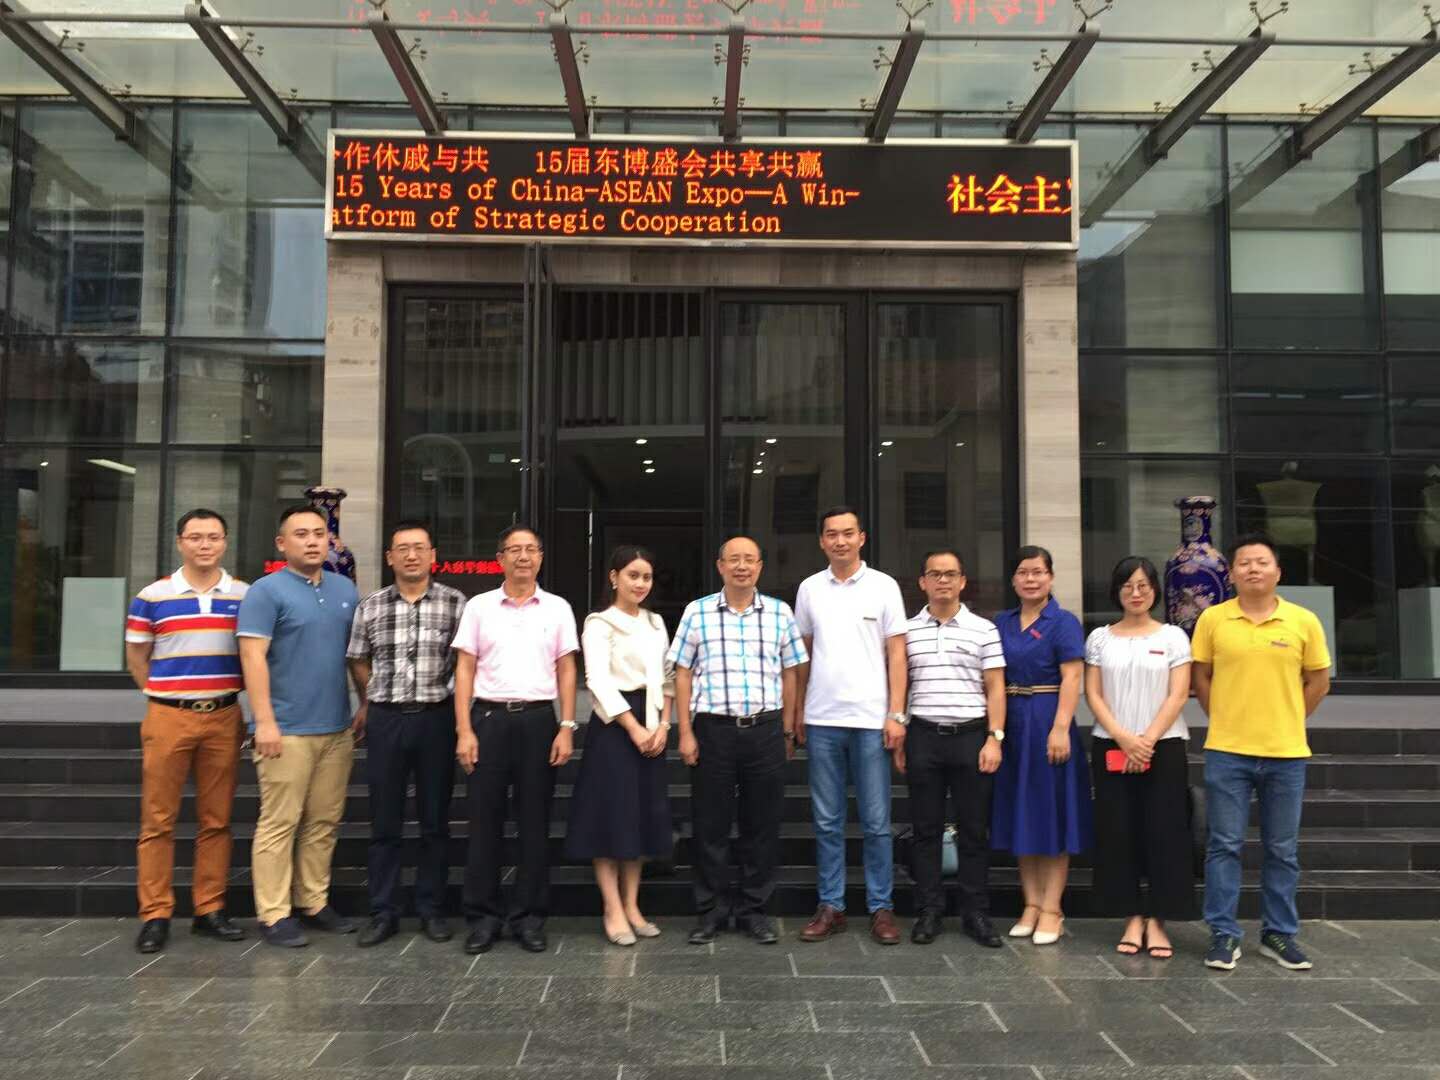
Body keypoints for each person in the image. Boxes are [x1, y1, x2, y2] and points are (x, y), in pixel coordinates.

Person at [1193, 533, 1331, 972]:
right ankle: (1223, 933)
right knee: (1224, 845)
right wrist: (1224, 716)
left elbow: (1318, 681)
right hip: (1227, 751)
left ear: (1278, 572)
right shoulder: (1213, 619)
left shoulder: (1303, 621)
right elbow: (1201, 677)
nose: (1253, 569)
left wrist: (1289, 717)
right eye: (1244, 563)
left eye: (1262, 562)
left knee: (1282, 849)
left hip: (1286, 752)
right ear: (1231, 574)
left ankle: (1278, 933)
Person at [669, 536, 808, 946]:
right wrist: (685, 730)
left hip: (765, 730)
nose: (742, 566)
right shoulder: (697, 612)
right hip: (713, 730)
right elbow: (681, 672)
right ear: (720, 566)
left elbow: (791, 672)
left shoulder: (780, 613)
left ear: (760, 566)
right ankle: (710, 910)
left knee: (761, 824)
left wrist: (788, 727)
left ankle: (753, 910)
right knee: (709, 823)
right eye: (734, 559)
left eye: (749, 559)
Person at [125, 509, 250, 954]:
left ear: (225, 542)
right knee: (158, 820)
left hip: (224, 715)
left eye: (213, 537)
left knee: (217, 819)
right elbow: (136, 656)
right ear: (180, 542)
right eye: (195, 537)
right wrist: (163, 696)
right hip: (168, 716)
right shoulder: (153, 596)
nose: (204, 544)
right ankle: (155, 913)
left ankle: (209, 909)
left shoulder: (244, 595)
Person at [237, 505, 363, 948]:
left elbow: (354, 655)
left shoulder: (345, 588)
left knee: (323, 821)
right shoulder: (265, 592)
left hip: (336, 728)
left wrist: (365, 702)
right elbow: (252, 657)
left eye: (319, 534)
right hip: (285, 730)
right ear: (281, 543)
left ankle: (313, 900)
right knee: (280, 822)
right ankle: (274, 913)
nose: (312, 541)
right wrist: (264, 721)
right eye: (301, 534)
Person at [453, 524, 578, 955]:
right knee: (483, 824)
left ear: (540, 557)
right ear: (500, 558)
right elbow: (465, 668)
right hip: (488, 719)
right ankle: (483, 917)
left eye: (531, 550)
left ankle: (529, 917)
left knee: (534, 824)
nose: (523, 557)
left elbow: (567, 669)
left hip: (539, 721)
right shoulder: (479, 607)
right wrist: (464, 729)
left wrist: (567, 725)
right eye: (514, 550)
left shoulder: (558, 608)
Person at [346, 521, 466, 948]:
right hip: (387, 718)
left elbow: (465, 662)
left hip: (437, 718)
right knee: (385, 820)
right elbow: (358, 658)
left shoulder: (455, 603)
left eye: (419, 548)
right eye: (402, 548)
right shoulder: (371, 605)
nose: (411, 555)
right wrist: (369, 699)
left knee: (435, 820)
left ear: (433, 555)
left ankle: (432, 909)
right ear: (389, 557)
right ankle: (384, 911)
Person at [795, 506, 909, 945]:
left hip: (870, 720)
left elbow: (897, 654)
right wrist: (796, 711)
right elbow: (803, 655)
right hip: (822, 719)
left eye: (847, 533)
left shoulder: (883, 586)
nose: (840, 541)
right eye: (831, 534)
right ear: (822, 541)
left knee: (877, 822)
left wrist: (896, 713)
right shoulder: (809, 588)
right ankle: (832, 905)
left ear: (862, 538)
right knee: (827, 821)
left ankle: (881, 907)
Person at [1084, 556, 1195, 960]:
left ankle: (1159, 919)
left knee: (1165, 832)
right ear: (1116, 591)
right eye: (1128, 586)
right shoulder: (1100, 638)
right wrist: (1123, 738)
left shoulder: (1173, 636)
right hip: (1111, 743)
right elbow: (1093, 693)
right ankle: (1131, 916)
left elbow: (1178, 694)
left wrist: (1145, 740)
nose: (1136, 593)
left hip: (1163, 746)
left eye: (1143, 586)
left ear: (1155, 591)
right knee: (1118, 833)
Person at [564, 546, 675, 945]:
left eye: (646, 577)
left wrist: (664, 724)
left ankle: (632, 905)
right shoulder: (599, 623)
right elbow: (596, 680)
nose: (640, 583)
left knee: (640, 816)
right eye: (632, 575)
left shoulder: (656, 622)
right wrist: (633, 728)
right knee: (611, 817)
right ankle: (612, 908)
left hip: (653, 720)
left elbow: (667, 676)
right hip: (615, 727)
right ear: (614, 578)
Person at [899, 548, 1006, 949]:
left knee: (974, 830)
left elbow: (995, 687)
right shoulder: (906, 631)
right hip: (923, 735)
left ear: (962, 582)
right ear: (922, 582)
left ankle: (975, 912)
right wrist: (900, 732)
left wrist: (995, 737)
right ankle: (929, 910)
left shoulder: (984, 629)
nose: (942, 581)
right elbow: (901, 686)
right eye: (935, 574)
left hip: (971, 737)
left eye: (950, 574)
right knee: (925, 830)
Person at [991, 545, 1092, 946]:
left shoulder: (1063, 622)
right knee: (1022, 813)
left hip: (1048, 717)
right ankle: (1031, 903)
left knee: (1052, 814)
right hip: (1012, 720)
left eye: (1038, 572)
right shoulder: (1002, 622)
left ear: (1050, 577)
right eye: (1023, 572)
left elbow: (1072, 677)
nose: (1030, 579)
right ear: (1013, 579)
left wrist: (1060, 727)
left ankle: (1052, 907)